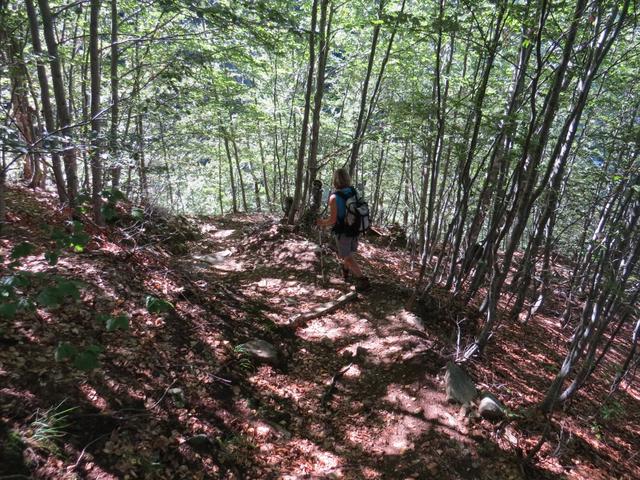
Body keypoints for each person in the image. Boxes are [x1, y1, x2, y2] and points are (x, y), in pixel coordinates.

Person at [316, 168, 370, 291]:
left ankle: (363, 280)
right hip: (355, 228)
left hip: (343, 232)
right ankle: (345, 273)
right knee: (349, 254)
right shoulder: (353, 191)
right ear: (347, 178)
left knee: (346, 256)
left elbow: (332, 221)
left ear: (335, 180)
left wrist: (321, 222)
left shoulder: (334, 197)